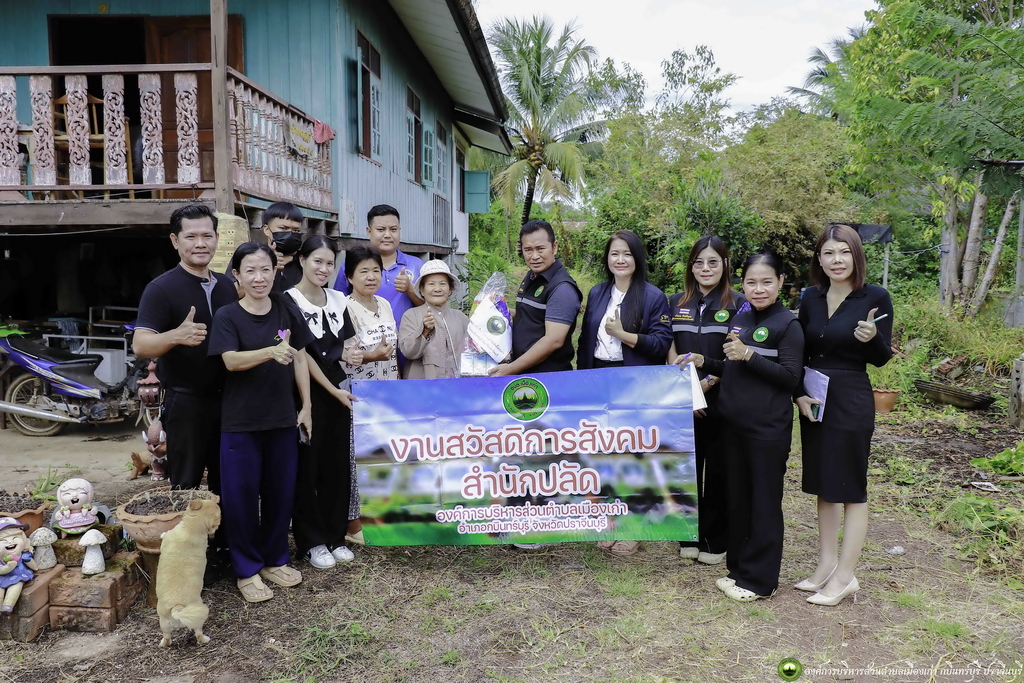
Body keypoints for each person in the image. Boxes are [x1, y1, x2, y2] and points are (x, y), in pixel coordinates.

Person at [208, 242, 314, 603]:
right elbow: (230, 361)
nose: (259, 277)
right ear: (236, 275)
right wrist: (270, 351)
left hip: (282, 419)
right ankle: (246, 569)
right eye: (250, 270)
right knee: (240, 498)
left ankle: (274, 559)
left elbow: (300, 357)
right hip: (241, 424)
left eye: (265, 269)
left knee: (280, 494)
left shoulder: (285, 307)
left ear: (275, 271)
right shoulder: (227, 315)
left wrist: (306, 406)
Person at [794, 224, 894, 606]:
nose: (837, 260)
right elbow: (800, 350)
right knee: (824, 483)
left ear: (856, 255)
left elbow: (882, 359)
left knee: (851, 487)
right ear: (819, 259)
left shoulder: (875, 296)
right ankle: (826, 564)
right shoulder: (810, 297)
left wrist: (873, 339)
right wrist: (799, 394)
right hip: (815, 396)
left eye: (844, 252)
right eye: (829, 253)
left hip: (851, 396)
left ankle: (846, 575)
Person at [712, 251, 804, 602]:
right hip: (733, 425)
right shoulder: (742, 315)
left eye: (767, 282)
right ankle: (739, 570)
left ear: (780, 282)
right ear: (742, 284)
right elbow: (731, 364)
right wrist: (704, 361)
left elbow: (791, 377)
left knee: (763, 503)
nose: (759, 289)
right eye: (751, 282)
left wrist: (749, 354)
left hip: (766, 429)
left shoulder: (788, 324)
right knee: (738, 500)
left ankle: (761, 581)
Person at [134, 204, 236, 492]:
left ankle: (226, 525)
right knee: (185, 484)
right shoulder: (161, 288)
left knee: (228, 481)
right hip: (186, 403)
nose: (200, 243)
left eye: (207, 236)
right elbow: (140, 344)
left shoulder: (227, 286)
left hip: (230, 400)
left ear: (217, 238)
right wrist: (176, 336)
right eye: (191, 236)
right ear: (175, 241)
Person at [668, 236, 746, 566]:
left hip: (722, 397)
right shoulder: (676, 301)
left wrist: (706, 384)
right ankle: (688, 534)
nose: (705, 268)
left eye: (713, 262)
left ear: (725, 265)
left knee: (717, 470)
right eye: (698, 262)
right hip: (684, 400)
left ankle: (715, 539)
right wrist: (685, 390)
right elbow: (671, 345)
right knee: (685, 468)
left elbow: (735, 354)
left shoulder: (739, 303)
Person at [285, 236, 360, 570]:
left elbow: (339, 347)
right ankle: (311, 541)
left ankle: (335, 536)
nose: (324, 269)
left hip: (338, 389)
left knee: (336, 464)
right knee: (308, 466)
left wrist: (352, 354)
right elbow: (304, 355)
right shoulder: (287, 300)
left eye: (330, 263)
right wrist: (329, 388)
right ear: (302, 260)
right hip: (306, 391)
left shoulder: (338, 299)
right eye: (317, 261)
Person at [334, 205, 424, 370]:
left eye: (393, 229)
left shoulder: (416, 265)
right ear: (368, 231)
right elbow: (337, 308)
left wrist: (410, 290)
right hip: (363, 354)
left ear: (400, 230)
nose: (387, 235)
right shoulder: (349, 266)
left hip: (411, 347)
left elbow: (430, 308)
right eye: (381, 229)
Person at [490, 220, 581, 376]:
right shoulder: (531, 276)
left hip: (547, 377)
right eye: (528, 250)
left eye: (540, 249)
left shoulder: (562, 288)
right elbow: (530, 316)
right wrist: (498, 310)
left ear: (554, 247)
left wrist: (511, 368)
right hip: (525, 373)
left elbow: (553, 340)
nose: (534, 256)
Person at [577, 230, 672, 371]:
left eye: (628, 254)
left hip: (635, 376)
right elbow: (585, 340)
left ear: (637, 258)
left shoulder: (654, 297)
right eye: (614, 254)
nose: (620, 260)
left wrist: (621, 335)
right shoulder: (596, 292)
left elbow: (661, 344)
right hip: (596, 372)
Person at [398, 260, 469, 379]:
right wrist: (424, 331)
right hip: (422, 386)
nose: (437, 289)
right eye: (431, 284)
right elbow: (408, 352)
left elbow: (471, 350)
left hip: (456, 385)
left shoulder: (461, 317)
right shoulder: (411, 315)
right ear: (422, 290)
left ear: (450, 289)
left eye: (442, 284)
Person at [341, 246, 399, 381]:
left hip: (389, 386)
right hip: (358, 388)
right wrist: (373, 355)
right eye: (364, 271)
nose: (371, 277)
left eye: (376, 271)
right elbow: (346, 353)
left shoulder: (385, 304)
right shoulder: (344, 307)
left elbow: (392, 352)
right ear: (350, 277)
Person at [262, 201, 305, 293]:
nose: (290, 234)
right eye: (283, 228)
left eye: (296, 230)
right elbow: (235, 292)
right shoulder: (250, 256)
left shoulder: (305, 262)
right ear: (267, 230)